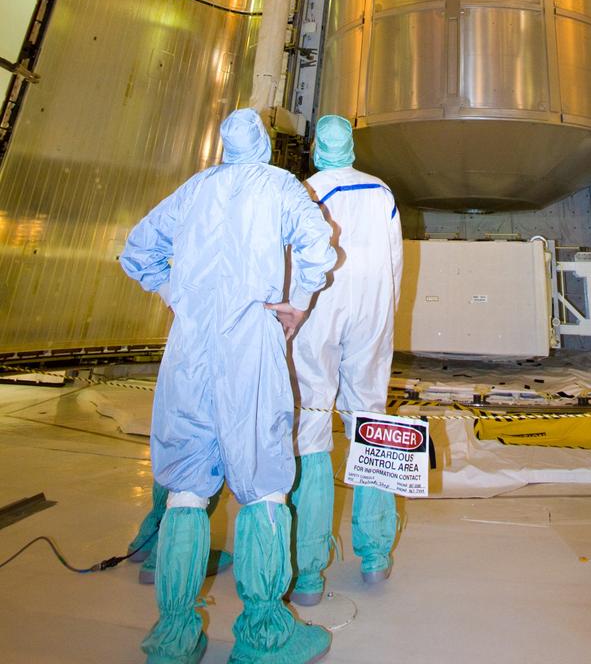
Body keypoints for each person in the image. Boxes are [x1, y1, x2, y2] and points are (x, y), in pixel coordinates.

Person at [120, 107, 336, 664]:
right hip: (250, 350)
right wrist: (299, 305)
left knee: (187, 487)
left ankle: (174, 636)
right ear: (263, 144)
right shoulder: (280, 187)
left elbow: (137, 251)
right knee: (263, 481)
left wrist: (173, 293)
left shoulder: (194, 189)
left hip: (188, 351)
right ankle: (265, 632)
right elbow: (319, 247)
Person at [281, 114, 402, 606]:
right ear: (352, 147)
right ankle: (375, 556)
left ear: (316, 149)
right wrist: (383, 321)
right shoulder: (382, 192)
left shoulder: (305, 192)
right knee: (370, 420)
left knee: (310, 423)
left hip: (316, 316)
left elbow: (293, 261)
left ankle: (307, 571)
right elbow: (395, 263)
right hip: (372, 316)